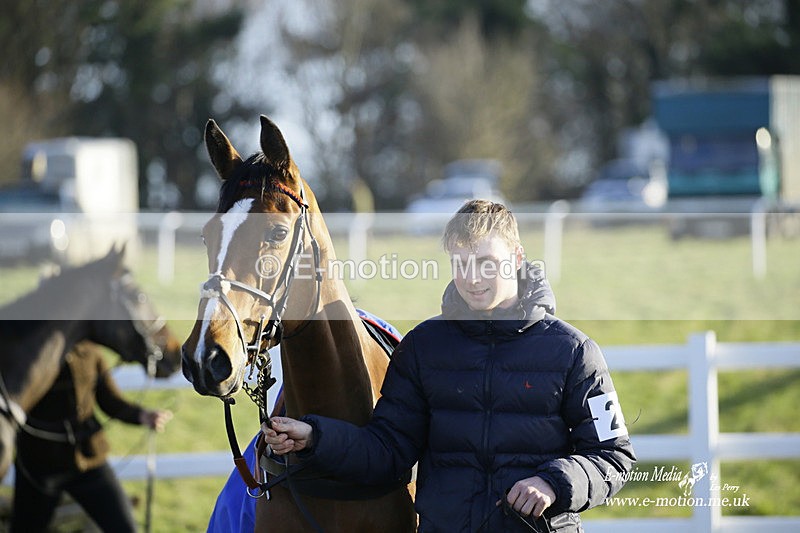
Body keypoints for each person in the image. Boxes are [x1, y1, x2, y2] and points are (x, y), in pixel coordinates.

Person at [263, 200, 636, 532]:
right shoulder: (422, 349)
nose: (472, 279)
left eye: (487, 264)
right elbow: (387, 450)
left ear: (517, 258)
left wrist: (554, 482)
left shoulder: (574, 352)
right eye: (461, 263)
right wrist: (314, 436)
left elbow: (613, 456)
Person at [12, 341, 172, 533]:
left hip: (90, 462)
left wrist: (141, 416)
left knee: (125, 529)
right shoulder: (27, 348)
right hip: (38, 466)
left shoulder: (90, 349)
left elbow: (109, 399)